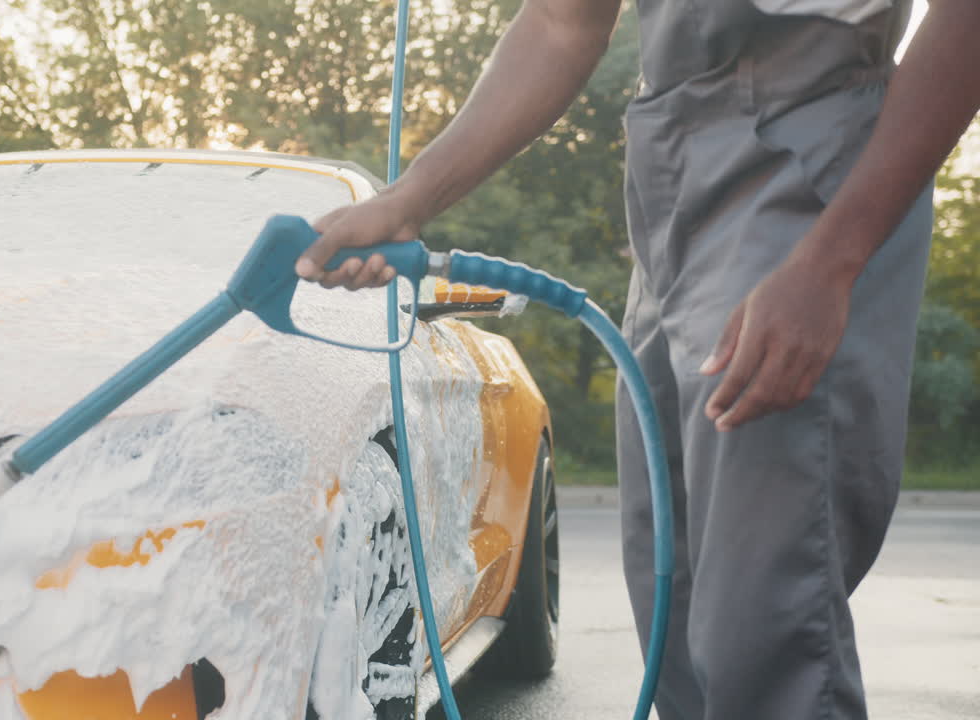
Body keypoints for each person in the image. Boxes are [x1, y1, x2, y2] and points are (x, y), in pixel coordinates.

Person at [293, 1, 980, 718]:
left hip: (809, 161)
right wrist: (407, 201)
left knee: (763, 629)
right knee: (671, 602)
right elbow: (564, 21)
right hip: (668, 167)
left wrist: (831, 262)